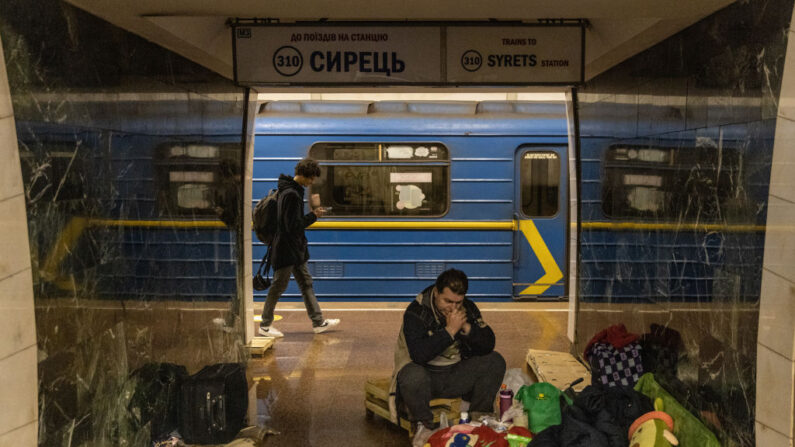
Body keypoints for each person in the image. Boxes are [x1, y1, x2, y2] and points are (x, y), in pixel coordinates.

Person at [389, 269, 506, 446]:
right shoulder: (416, 312)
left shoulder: (468, 308)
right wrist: (450, 331)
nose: (453, 307)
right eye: (447, 301)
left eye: (458, 302)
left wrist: (468, 329)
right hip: (425, 378)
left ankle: (478, 417)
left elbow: (489, 343)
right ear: (436, 292)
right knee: (412, 375)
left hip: (455, 375)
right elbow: (419, 355)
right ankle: (424, 425)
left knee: (495, 361)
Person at [258, 158, 339, 337]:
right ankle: (264, 326)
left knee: (306, 284)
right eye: (310, 179)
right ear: (303, 175)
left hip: (294, 250)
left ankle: (318, 322)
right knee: (278, 286)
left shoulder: (288, 190)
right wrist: (313, 216)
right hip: (287, 250)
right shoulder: (292, 195)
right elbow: (292, 226)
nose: (311, 183)